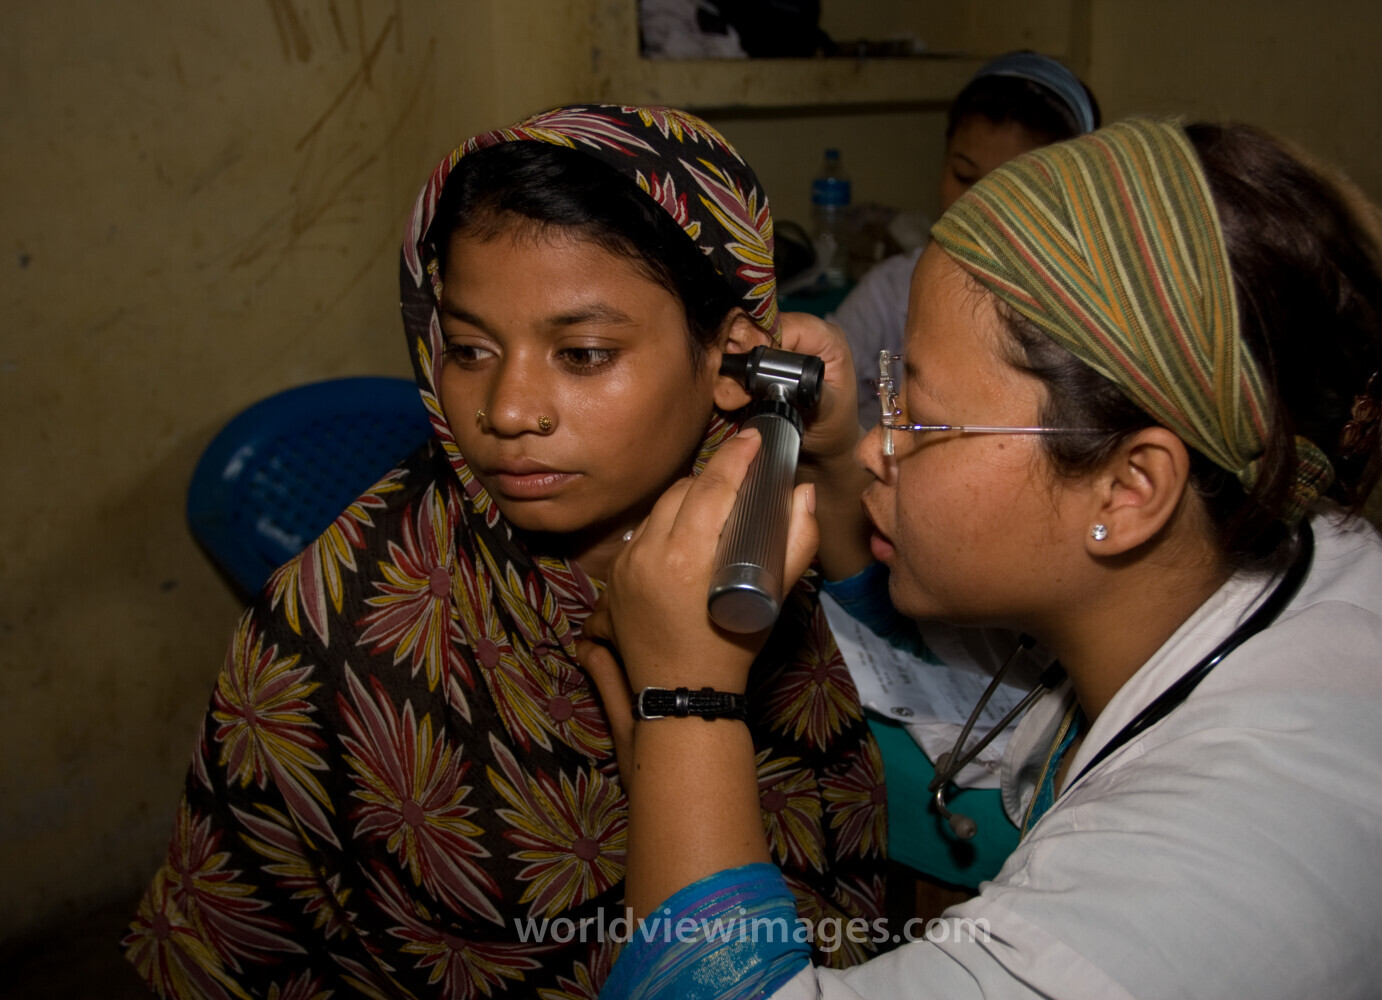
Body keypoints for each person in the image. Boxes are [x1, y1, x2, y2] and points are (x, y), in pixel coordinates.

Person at [580, 118, 1382, 997]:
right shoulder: (1266, 554)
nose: (875, 445)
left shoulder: (1200, 887)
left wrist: (686, 702)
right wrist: (842, 474)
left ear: (1129, 488)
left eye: (922, 417)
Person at [123, 105, 887, 999]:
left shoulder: (761, 532)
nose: (508, 409)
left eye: (584, 353)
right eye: (468, 348)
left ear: (731, 359)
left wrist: (835, 467)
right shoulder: (330, 636)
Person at [833, 51, 1099, 429]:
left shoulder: (1082, 330)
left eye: (1010, 191)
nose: (976, 208)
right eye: (963, 175)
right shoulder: (890, 294)